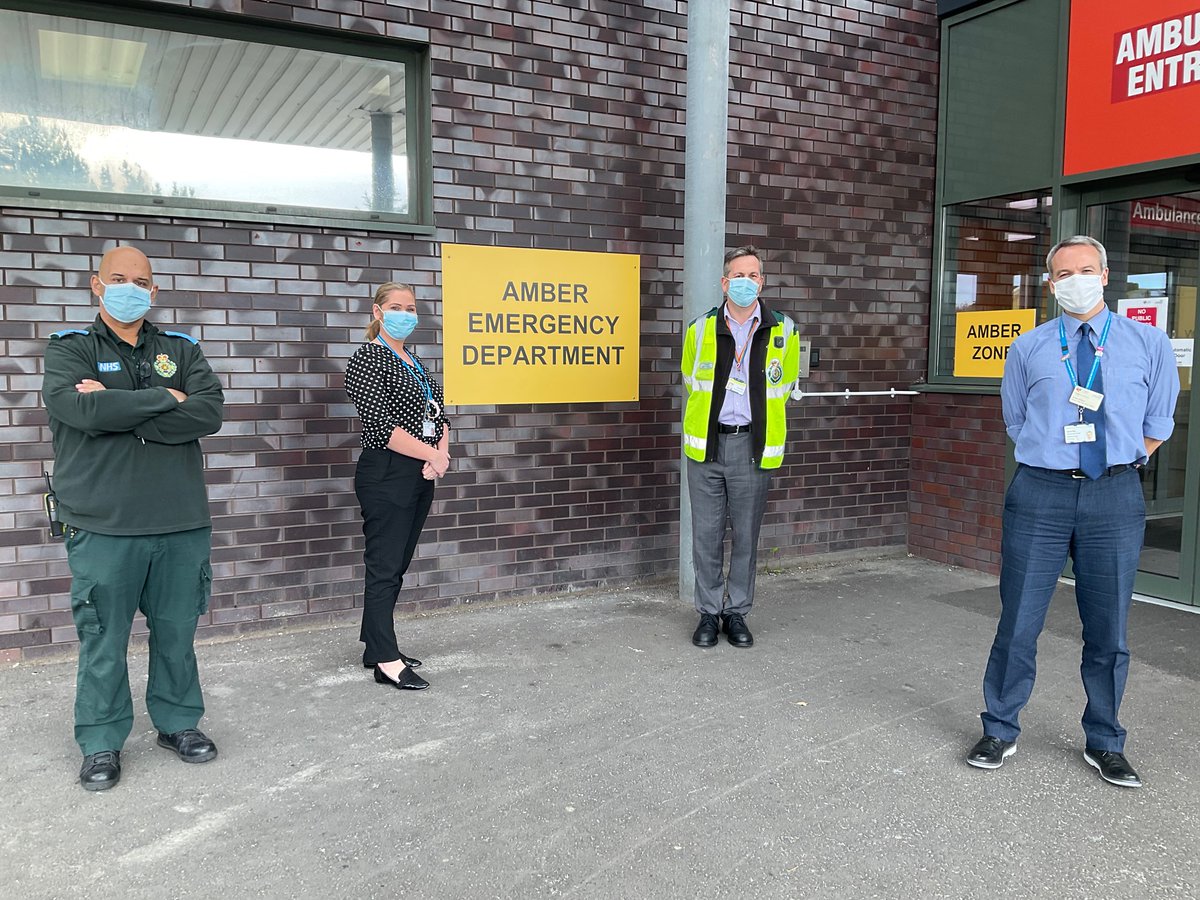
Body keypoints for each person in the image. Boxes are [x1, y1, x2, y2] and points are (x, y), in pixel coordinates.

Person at [967, 235, 1180, 788]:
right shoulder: (1029, 347)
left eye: (1086, 270)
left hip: (1114, 495)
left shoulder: (1148, 343)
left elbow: (1158, 424)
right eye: (1064, 274)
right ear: (1051, 283)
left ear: (1105, 276)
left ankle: (1105, 740)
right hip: (1039, 494)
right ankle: (999, 727)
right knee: (1018, 621)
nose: (1076, 280)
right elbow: (1017, 421)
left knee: (1108, 629)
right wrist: (1055, 458)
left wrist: (1115, 464)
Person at [42, 245, 225, 792]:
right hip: (102, 523)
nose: (130, 287)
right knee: (104, 638)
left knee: (177, 633)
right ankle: (100, 740)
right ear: (97, 285)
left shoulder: (180, 348)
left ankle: (178, 723)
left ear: (154, 290)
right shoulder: (69, 350)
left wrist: (122, 408)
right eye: (117, 278)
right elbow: (78, 410)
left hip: (179, 519)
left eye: (140, 280)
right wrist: (166, 399)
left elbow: (209, 412)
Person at [681, 246, 800, 648]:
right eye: (739, 275)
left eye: (754, 276)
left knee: (746, 537)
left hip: (752, 445)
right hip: (708, 447)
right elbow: (690, 381)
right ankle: (709, 614)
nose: (746, 282)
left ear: (761, 282)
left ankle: (737, 614)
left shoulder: (784, 329)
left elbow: (782, 389)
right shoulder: (700, 330)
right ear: (724, 282)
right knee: (707, 536)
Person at [345, 282, 451, 691]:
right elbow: (380, 426)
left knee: (398, 563)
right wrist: (431, 454)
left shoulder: (413, 359)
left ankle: (375, 645)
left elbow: (438, 412)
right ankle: (386, 661)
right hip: (387, 471)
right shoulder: (368, 359)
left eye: (410, 307)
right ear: (377, 312)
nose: (405, 313)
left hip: (420, 471)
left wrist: (438, 454)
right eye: (395, 306)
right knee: (385, 567)